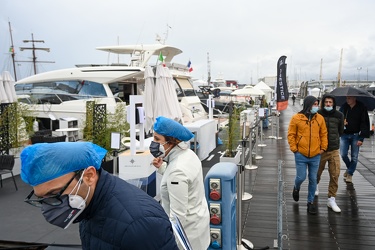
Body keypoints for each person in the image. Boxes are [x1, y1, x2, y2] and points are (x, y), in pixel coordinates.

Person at [20, 142, 178, 250]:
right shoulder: (89, 206)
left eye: (55, 194)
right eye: (42, 199)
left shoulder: (140, 224)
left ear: (88, 176)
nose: (49, 206)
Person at [151, 116, 210, 249]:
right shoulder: (189, 154)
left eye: (157, 139)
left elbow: (177, 217)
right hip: (199, 224)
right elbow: (185, 182)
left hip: (188, 236)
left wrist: (169, 244)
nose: (153, 143)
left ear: (171, 142)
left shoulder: (177, 171)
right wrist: (162, 168)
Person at [287, 96, 328, 214]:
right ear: (308, 104)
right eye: (314, 104)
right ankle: (296, 187)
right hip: (301, 154)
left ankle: (310, 202)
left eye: (317, 104)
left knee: (313, 179)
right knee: (301, 177)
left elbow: (323, 134)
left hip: (316, 154)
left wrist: (323, 148)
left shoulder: (320, 118)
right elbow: (291, 134)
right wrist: (294, 149)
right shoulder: (296, 118)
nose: (316, 106)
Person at [316, 94, 344, 213]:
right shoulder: (318, 115)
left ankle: (331, 199)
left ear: (333, 103)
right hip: (320, 149)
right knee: (317, 171)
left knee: (335, 173)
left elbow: (341, 131)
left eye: (330, 102)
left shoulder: (339, 115)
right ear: (323, 103)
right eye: (326, 102)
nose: (328, 104)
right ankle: (315, 185)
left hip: (333, 149)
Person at [339, 96, 370, 183]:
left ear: (354, 98)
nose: (347, 100)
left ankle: (349, 174)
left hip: (356, 135)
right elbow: (338, 118)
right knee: (343, 154)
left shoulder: (361, 107)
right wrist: (342, 122)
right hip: (344, 134)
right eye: (346, 98)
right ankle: (350, 169)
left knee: (354, 157)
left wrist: (361, 138)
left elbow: (365, 123)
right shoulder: (344, 107)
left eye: (349, 98)